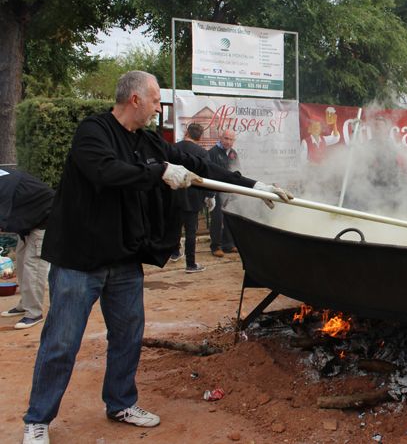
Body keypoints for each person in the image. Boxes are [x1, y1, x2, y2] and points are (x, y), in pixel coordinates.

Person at [21, 71, 292, 444]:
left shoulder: (148, 141)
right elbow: (105, 172)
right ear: (134, 99)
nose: (156, 109)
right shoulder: (93, 132)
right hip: (79, 261)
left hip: (124, 259)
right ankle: (38, 419)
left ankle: (121, 403)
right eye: (153, 101)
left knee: (128, 336)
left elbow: (199, 165)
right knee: (61, 343)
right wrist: (160, 171)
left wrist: (253, 187)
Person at [0, 169, 54, 329]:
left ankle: (34, 312)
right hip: (28, 222)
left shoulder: (3, 184)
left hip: (46, 219)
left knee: (33, 267)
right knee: (22, 263)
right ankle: (25, 304)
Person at [170, 123, 215, 273]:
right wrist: (210, 195)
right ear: (200, 136)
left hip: (174, 193)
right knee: (190, 231)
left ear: (186, 132)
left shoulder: (174, 148)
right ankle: (191, 264)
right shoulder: (202, 152)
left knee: (175, 225)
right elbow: (207, 174)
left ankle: (175, 252)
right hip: (193, 195)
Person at [208, 129, 240, 257]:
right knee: (217, 219)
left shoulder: (233, 153)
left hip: (230, 192)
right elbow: (209, 173)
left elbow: (238, 170)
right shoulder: (212, 153)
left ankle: (228, 244)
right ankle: (215, 246)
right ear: (221, 138)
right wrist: (210, 194)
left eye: (231, 139)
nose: (228, 141)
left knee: (229, 217)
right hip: (216, 191)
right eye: (226, 138)